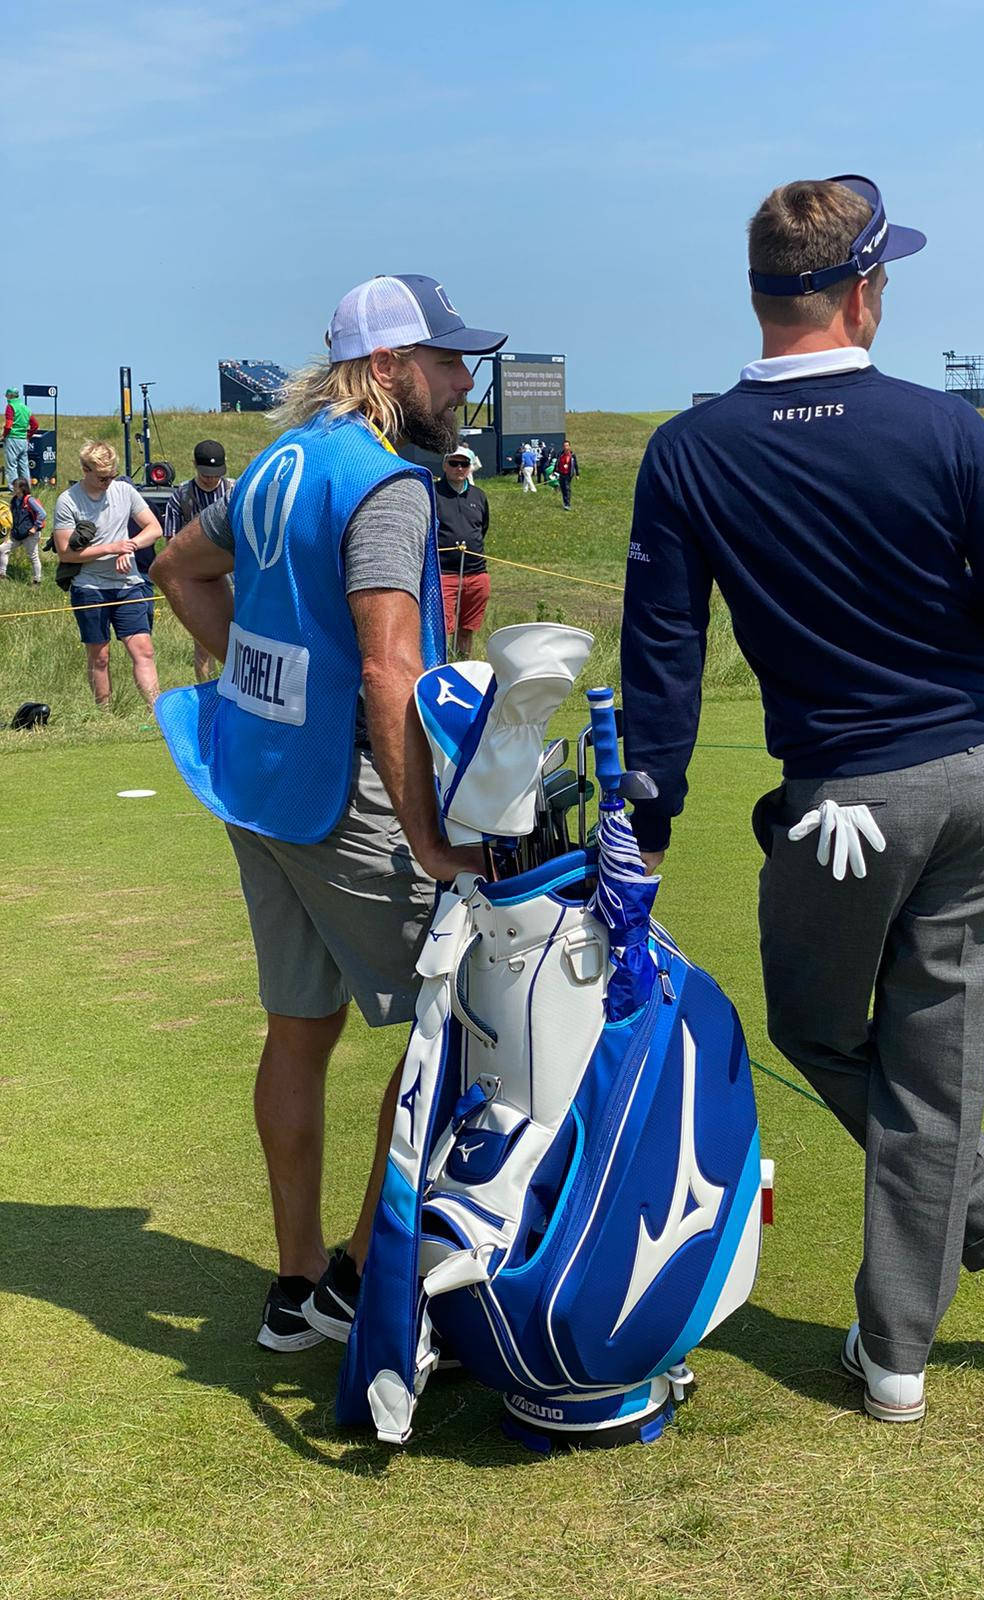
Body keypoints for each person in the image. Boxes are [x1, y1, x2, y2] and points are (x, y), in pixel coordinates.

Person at [619, 174, 984, 1425]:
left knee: (822, 1029)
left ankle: (940, 1313)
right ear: (863, 288)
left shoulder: (690, 451)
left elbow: (665, 657)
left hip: (841, 801)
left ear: (761, 292)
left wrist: (647, 823)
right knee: (928, 1069)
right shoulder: (944, 429)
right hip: (974, 779)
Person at [151, 274, 506, 1352]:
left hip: (256, 778)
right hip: (342, 793)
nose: (464, 379)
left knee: (300, 1029)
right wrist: (429, 837)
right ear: (388, 367)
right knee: (461, 1019)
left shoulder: (279, 460)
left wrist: (268, 681)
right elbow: (392, 671)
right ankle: (357, 1278)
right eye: (446, 359)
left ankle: (296, 1282)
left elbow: (178, 568)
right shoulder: (386, 482)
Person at [52, 441, 161, 708]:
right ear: (85, 469)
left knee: (143, 649)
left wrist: (130, 546)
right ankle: (105, 713)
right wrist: (111, 548)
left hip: (128, 584)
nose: (108, 482)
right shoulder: (68, 501)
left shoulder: (124, 490)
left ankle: (155, 711)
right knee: (99, 656)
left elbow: (154, 528)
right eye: (102, 478)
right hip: (89, 587)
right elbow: (66, 553)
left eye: (112, 475)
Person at [163, 440, 236, 681]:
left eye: (216, 474)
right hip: (200, 579)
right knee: (204, 644)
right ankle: (208, 689)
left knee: (242, 637)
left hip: (236, 576)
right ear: (194, 465)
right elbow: (172, 545)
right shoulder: (181, 497)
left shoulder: (235, 490)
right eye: (205, 474)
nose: (211, 479)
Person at [436, 445, 491, 658]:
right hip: (444, 573)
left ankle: (462, 664)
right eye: (454, 463)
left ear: (470, 467)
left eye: (464, 464)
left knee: (467, 627)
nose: (459, 468)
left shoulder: (479, 496)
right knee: (441, 628)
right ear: (445, 465)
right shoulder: (433, 493)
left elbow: (483, 528)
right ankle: (439, 667)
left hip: (476, 573)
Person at [1, 478, 45, 583]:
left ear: (21, 488)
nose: (12, 488)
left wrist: (35, 528)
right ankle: (2, 574)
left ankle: (37, 580)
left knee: (33, 556)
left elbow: (42, 513)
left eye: (15, 486)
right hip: (16, 534)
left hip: (30, 535)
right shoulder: (14, 500)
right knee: (2, 549)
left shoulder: (29, 500)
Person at [3, 388, 38, 488]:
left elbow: (8, 425)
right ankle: (27, 490)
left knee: (11, 466)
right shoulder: (26, 408)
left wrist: (3, 435)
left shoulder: (10, 407)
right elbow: (35, 425)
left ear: (10, 396)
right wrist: (28, 436)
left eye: (7, 395)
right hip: (23, 440)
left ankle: (14, 489)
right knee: (24, 466)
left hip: (12, 438)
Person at [556, 439, 579, 509]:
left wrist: (577, 474)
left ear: (569, 446)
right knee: (563, 488)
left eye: (567, 446)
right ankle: (565, 502)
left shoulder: (572, 455)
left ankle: (568, 504)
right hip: (561, 473)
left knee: (567, 488)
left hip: (568, 474)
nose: (565, 447)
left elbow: (575, 465)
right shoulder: (560, 454)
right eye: (564, 446)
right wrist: (555, 471)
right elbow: (557, 463)